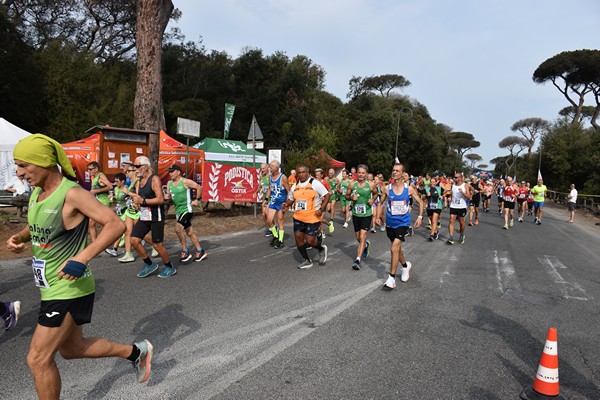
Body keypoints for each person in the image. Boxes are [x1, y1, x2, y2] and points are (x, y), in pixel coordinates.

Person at [8, 134, 153, 399]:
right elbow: (39, 224)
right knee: (72, 349)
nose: (19, 173)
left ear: (43, 161)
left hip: (69, 287)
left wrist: (82, 258)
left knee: (37, 359)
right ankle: (136, 352)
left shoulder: (72, 193)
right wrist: (20, 236)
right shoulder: (38, 193)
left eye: (23, 165)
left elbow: (115, 224)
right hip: (50, 287)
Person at [129, 156, 176, 278]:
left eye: (137, 166)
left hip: (156, 216)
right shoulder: (139, 180)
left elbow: (160, 199)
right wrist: (137, 202)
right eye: (134, 166)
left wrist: (143, 201)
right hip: (145, 216)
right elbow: (140, 198)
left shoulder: (154, 179)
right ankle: (149, 264)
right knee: (134, 240)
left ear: (145, 166)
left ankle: (169, 267)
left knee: (157, 245)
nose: (135, 169)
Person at [378, 163, 424, 288]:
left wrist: (420, 217)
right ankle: (405, 266)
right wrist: (377, 216)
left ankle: (391, 278)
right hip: (390, 223)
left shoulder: (408, 188)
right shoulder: (387, 188)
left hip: (403, 223)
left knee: (394, 248)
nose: (394, 172)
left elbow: (420, 202)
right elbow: (380, 203)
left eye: (397, 171)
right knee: (397, 249)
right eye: (393, 170)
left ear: (403, 174)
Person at [284, 164, 331, 269]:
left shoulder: (315, 184)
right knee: (298, 238)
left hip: (312, 217)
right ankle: (307, 260)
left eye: (303, 172)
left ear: (308, 173)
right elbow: (291, 199)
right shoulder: (294, 186)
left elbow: (327, 195)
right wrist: (286, 204)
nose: (301, 174)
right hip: (298, 217)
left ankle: (321, 249)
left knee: (310, 241)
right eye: (299, 172)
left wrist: (321, 209)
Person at [166, 164, 207, 262]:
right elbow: (169, 196)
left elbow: (199, 187)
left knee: (178, 228)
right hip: (178, 211)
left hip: (187, 210)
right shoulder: (169, 183)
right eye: (169, 171)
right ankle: (200, 250)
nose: (170, 173)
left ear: (178, 172)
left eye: (172, 171)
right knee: (189, 232)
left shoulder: (185, 181)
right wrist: (168, 197)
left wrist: (197, 200)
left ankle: (185, 251)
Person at [345, 164, 379, 270]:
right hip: (356, 214)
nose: (361, 174)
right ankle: (365, 245)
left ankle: (357, 260)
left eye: (363, 173)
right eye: (359, 172)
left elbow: (376, 194)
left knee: (362, 236)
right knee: (358, 237)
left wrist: (372, 200)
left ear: (366, 174)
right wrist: (351, 197)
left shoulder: (371, 185)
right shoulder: (352, 184)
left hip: (367, 214)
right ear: (357, 173)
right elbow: (346, 195)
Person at [117, 166, 141, 263]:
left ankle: (155, 245)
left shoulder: (137, 181)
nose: (127, 173)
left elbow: (138, 196)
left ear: (135, 172)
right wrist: (128, 198)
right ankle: (128, 254)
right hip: (129, 210)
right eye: (126, 171)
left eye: (129, 171)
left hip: (136, 211)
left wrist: (127, 192)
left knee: (140, 233)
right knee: (127, 232)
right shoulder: (131, 182)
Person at [265, 160, 290, 249]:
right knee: (269, 220)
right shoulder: (270, 177)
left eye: (271, 167)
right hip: (273, 201)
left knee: (280, 221)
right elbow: (269, 189)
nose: (270, 169)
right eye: (270, 167)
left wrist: (287, 203)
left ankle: (280, 240)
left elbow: (288, 191)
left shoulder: (283, 177)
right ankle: (276, 236)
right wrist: (266, 199)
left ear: (276, 168)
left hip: (281, 202)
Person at [87, 161, 113, 243]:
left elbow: (110, 186)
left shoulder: (101, 176)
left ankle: (105, 241)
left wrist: (97, 191)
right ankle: (96, 243)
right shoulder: (95, 177)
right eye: (88, 169)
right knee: (91, 224)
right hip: (98, 202)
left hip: (103, 202)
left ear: (96, 169)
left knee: (96, 223)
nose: (89, 171)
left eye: (91, 169)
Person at [446, 172, 472, 244]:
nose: (454, 178)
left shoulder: (465, 186)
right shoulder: (453, 185)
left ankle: (462, 234)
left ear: (460, 178)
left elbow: (469, 197)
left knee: (461, 222)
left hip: (461, 207)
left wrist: (463, 193)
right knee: (451, 220)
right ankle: (451, 237)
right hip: (453, 206)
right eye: (454, 177)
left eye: (456, 177)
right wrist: (449, 199)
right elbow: (452, 194)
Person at [254, 163, 271, 237]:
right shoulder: (262, 176)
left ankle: (271, 228)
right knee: (264, 215)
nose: (262, 170)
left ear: (267, 168)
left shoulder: (271, 176)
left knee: (268, 214)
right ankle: (270, 227)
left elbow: (271, 188)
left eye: (263, 168)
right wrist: (256, 192)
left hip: (270, 198)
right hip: (264, 198)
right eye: (261, 168)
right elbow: (259, 186)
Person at [425, 176, 443, 241]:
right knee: (431, 219)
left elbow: (445, 193)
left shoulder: (439, 188)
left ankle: (432, 235)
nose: (432, 183)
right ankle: (435, 231)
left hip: (438, 206)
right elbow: (423, 197)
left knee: (434, 220)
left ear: (436, 182)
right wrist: (427, 195)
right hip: (429, 206)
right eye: (431, 182)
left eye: (434, 182)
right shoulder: (427, 189)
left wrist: (442, 196)